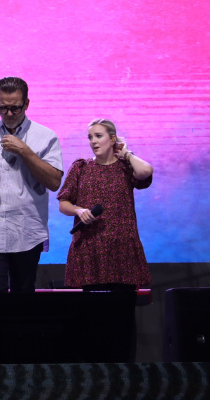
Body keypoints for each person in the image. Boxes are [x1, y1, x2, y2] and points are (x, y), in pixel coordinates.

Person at [0, 76, 63, 293]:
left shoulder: (46, 136)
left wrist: (25, 151)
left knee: (22, 297)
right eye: (3, 108)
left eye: (15, 108)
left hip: (28, 231)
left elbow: (54, 182)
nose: (8, 114)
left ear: (26, 104)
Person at [58, 119, 154, 290]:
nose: (93, 141)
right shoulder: (81, 167)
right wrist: (79, 210)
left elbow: (146, 171)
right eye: (90, 137)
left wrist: (126, 154)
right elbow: (63, 203)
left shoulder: (125, 166)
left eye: (98, 136)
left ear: (112, 139)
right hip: (90, 247)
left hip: (121, 248)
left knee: (124, 304)